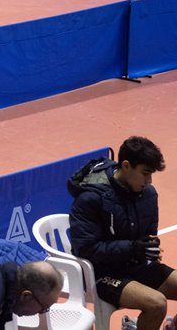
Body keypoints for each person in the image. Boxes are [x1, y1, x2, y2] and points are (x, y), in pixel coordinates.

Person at [70, 136, 176, 330]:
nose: (149, 181)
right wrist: (133, 248)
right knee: (156, 304)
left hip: (136, 265)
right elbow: (86, 249)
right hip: (102, 274)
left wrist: (149, 248)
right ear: (126, 166)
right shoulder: (90, 198)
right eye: (145, 173)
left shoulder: (148, 194)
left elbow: (149, 236)